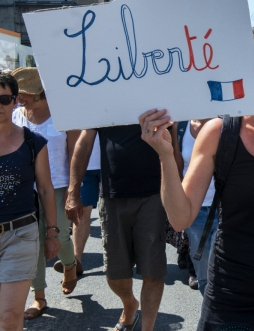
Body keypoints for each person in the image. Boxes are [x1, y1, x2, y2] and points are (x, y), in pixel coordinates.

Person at [139, 21, 254, 330]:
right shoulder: (219, 132)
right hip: (233, 294)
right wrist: (164, 156)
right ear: (248, 68)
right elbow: (180, 218)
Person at [65, 124, 166, 331]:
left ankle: (148, 327)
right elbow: (83, 144)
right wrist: (73, 192)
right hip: (112, 197)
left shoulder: (156, 94)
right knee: (115, 274)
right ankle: (129, 305)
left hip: (154, 195)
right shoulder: (102, 96)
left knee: (153, 272)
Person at [11, 67, 80, 319]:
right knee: (34, 244)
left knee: (59, 235)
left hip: (59, 185)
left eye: (26, 94)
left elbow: (75, 155)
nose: (20, 98)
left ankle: (70, 265)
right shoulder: (16, 115)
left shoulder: (63, 115)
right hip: (26, 189)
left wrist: (75, 189)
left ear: (41, 93)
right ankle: (39, 297)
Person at [0, 72, 59, 330]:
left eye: (4, 99)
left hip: (20, 235)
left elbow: (46, 190)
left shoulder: (34, 142)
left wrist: (53, 234)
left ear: (15, 101)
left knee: (9, 315)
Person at [171, 118, 218, 293]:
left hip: (222, 208)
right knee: (202, 271)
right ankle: (209, 310)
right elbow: (177, 166)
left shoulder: (226, 125)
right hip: (194, 210)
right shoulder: (181, 127)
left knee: (219, 267)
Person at [54, 136, 101, 277]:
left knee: (116, 210)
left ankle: (123, 259)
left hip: (113, 161)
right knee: (83, 210)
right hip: (85, 164)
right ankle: (76, 260)